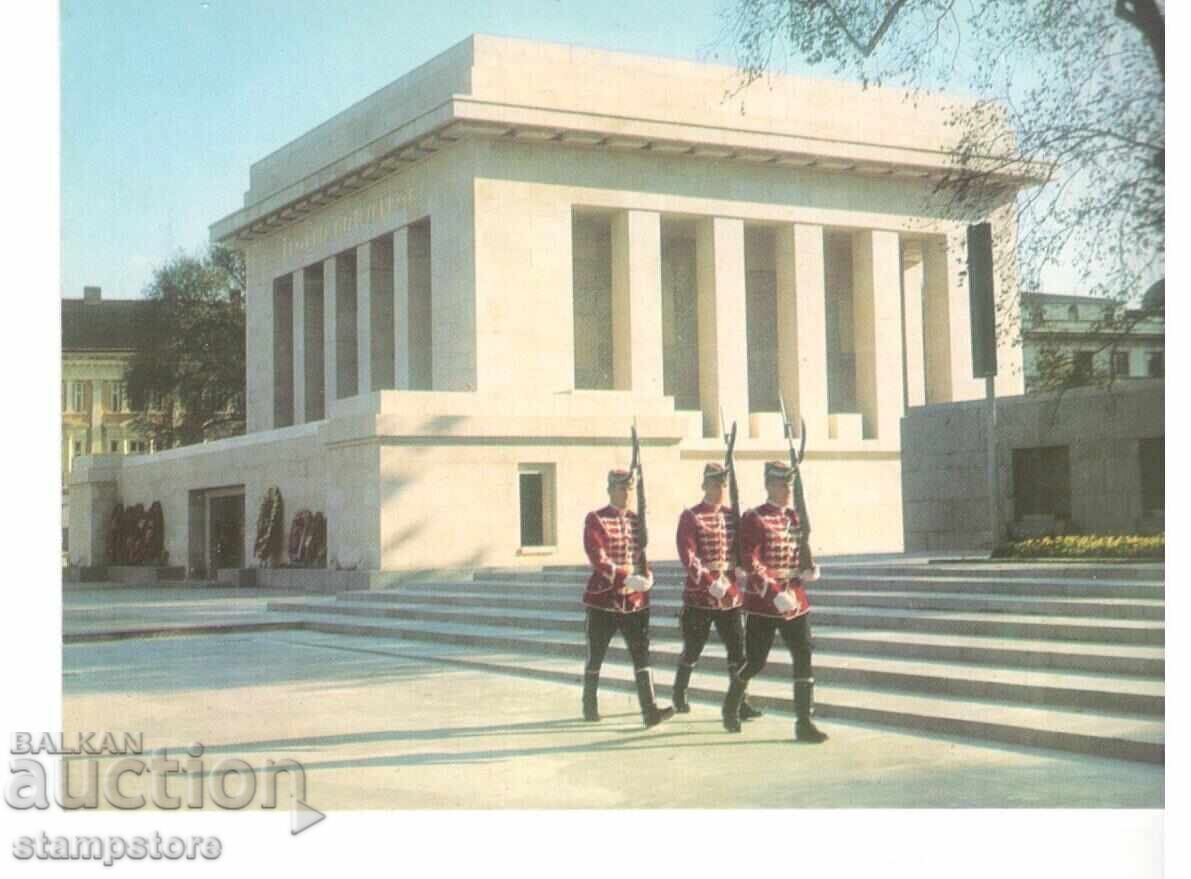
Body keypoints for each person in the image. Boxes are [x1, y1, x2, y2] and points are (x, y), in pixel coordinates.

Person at [724, 461, 827, 743]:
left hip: (794, 597)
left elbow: (798, 551)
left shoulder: (794, 517)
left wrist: (809, 568)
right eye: (782, 485)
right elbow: (751, 561)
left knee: (803, 654)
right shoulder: (754, 518)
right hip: (764, 603)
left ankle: (804, 722)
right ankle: (732, 702)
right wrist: (771, 592)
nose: (787, 490)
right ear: (769, 485)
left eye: (789, 485)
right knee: (756, 661)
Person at [581, 468, 675, 728]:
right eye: (621, 488)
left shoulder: (636, 520)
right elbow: (598, 558)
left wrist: (647, 576)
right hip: (604, 599)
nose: (626, 493)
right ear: (610, 489)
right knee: (596, 654)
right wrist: (626, 577)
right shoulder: (596, 519)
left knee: (641, 654)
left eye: (629, 489)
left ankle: (649, 710)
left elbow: (640, 555)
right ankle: (589, 704)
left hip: (634, 600)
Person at [671, 462, 762, 722]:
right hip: (701, 594)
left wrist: (744, 566)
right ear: (704, 485)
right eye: (714, 483)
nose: (719, 488)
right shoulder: (691, 516)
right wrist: (709, 581)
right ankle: (679, 692)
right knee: (693, 649)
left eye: (722, 483)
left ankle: (740, 702)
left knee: (738, 651)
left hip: (730, 595)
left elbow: (744, 549)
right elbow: (688, 554)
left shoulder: (734, 516)